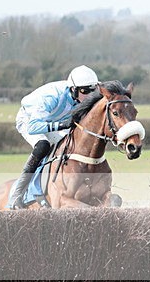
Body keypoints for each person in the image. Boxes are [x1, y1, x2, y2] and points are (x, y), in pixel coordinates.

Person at [7, 65, 99, 209]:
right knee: (42, 146)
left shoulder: (82, 94)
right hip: (30, 120)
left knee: (71, 145)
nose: (89, 95)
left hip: (54, 121)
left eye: (92, 91)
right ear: (73, 89)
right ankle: (17, 194)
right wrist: (61, 125)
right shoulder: (51, 97)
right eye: (84, 91)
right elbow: (33, 127)